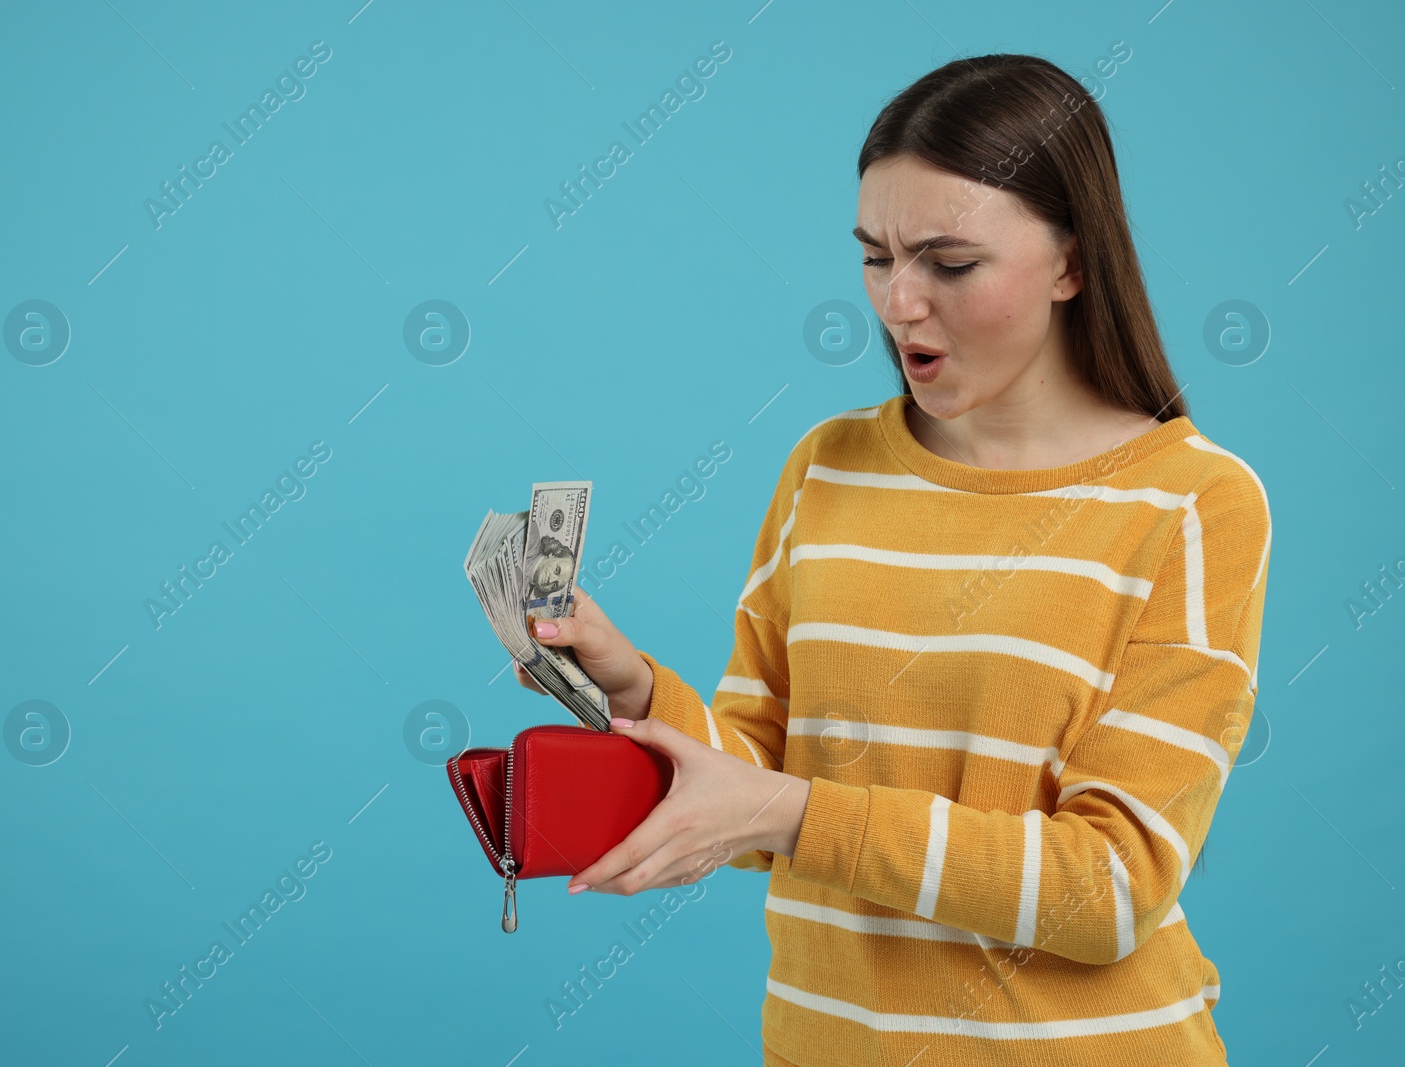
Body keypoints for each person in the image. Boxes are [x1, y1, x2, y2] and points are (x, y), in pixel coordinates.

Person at [514, 52, 1270, 1067]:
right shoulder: (826, 467)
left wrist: (790, 811)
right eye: (875, 256)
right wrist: (641, 692)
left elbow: (1110, 888)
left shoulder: (1193, 502)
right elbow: (760, 789)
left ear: (1071, 262)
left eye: (949, 263)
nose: (898, 302)